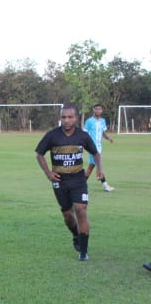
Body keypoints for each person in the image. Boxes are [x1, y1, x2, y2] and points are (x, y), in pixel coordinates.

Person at [35, 104, 102, 261]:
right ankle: (75, 235)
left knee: (80, 209)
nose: (66, 120)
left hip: (78, 180)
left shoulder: (83, 136)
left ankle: (84, 252)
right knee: (67, 215)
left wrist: (100, 169)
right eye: (64, 117)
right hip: (60, 181)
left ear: (76, 118)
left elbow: (95, 153)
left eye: (70, 117)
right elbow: (39, 154)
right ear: (60, 118)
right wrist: (48, 173)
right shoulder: (52, 135)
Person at [83, 104, 114, 192]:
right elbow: (84, 133)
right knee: (99, 164)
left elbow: (103, 133)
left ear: (102, 111)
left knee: (91, 165)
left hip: (99, 146)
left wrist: (109, 138)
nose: (98, 111)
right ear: (93, 110)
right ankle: (105, 185)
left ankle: (81, 184)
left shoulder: (102, 121)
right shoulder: (89, 121)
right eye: (96, 109)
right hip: (91, 147)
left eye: (99, 109)